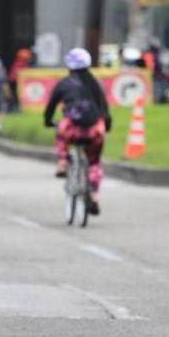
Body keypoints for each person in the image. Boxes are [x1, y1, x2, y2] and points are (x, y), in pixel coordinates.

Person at [43, 48, 112, 215]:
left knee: (61, 130)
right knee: (94, 162)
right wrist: (107, 126)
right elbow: (105, 109)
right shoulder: (96, 84)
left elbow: (51, 107)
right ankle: (94, 196)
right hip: (95, 131)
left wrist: (48, 121)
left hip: (71, 131)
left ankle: (62, 162)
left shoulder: (64, 83)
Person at [7, 48, 32, 113]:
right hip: (15, 81)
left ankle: (13, 107)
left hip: (13, 80)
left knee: (14, 94)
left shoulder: (18, 61)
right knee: (15, 95)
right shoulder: (22, 63)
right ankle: (14, 108)